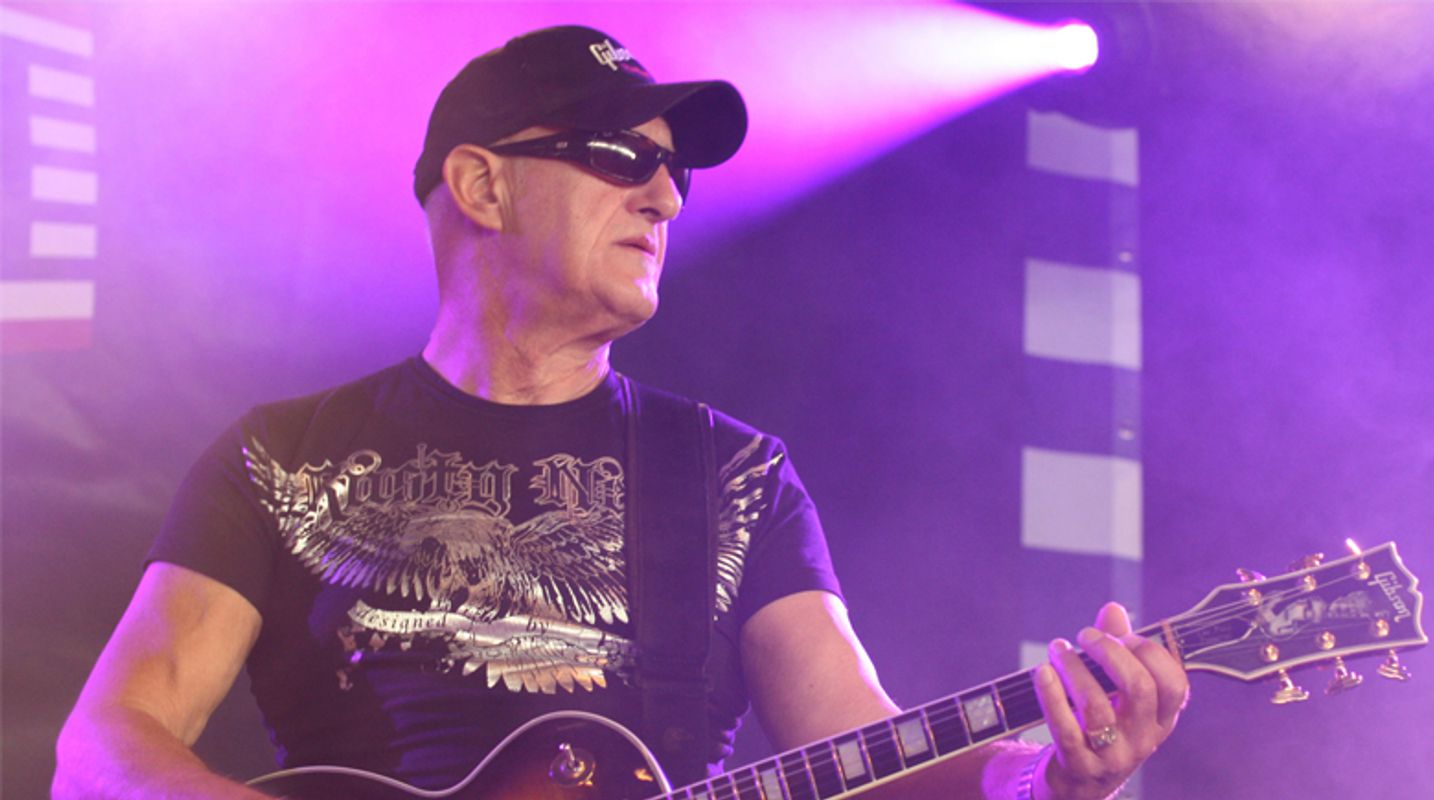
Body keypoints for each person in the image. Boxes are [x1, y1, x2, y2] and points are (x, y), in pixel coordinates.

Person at [53, 25, 1188, 800]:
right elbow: (102, 750)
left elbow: (863, 751)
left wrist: (1048, 776)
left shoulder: (734, 474)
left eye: (675, 174)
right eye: (618, 157)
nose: (663, 197)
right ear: (483, 185)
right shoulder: (282, 456)